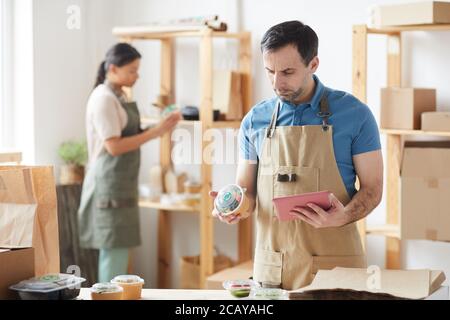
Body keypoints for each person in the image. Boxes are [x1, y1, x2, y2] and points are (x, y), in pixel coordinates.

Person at [210, 21, 383, 290]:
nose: (277, 83)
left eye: (287, 72)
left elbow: (373, 189)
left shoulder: (356, 115)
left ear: (313, 64)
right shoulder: (254, 120)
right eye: (270, 71)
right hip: (272, 271)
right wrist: (236, 207)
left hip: (336, 267)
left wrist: (344, 215)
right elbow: (248, 192)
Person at [78, 43, 181, 283]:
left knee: (119, 251)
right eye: (132, 70)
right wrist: (157, 132)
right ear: (113, 68)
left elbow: (128, 134)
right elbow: (114, 146)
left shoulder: (119, 94)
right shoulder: (103, 98)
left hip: (120, 185)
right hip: (108, 186)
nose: (137, 75)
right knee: (113, 253)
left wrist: (160, 125)